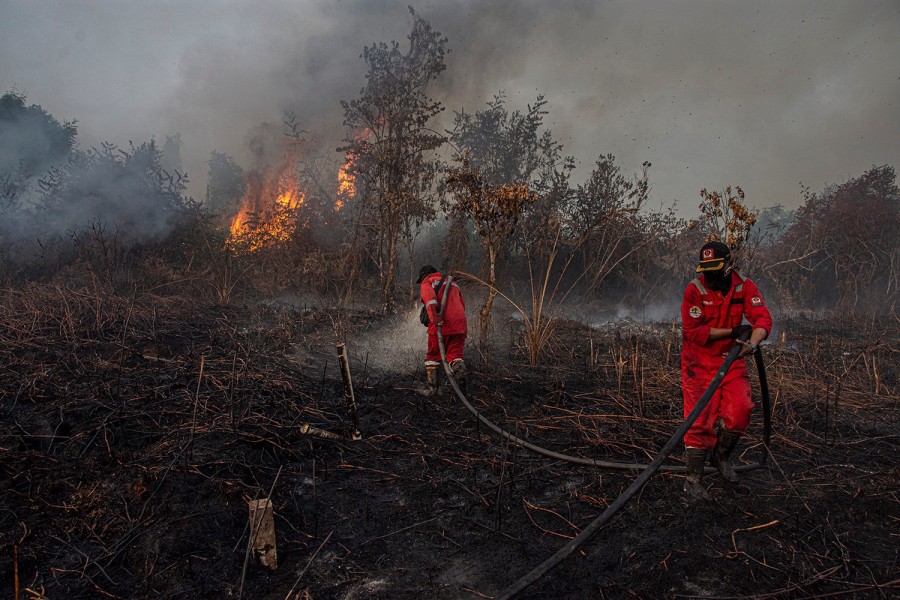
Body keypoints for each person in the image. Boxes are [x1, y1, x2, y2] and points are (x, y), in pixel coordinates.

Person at [680, 240, 772, 500]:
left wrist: (751, 344)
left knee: (740, 410)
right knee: (698, 420)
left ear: (728, 265)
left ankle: (721, 459)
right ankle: (693, 480)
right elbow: (693, 331)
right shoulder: (694, 289)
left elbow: (762, 318)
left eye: (714, 268)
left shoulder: (744, 286)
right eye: (704, 269)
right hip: (698, 363)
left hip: (731, 360)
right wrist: (733, 332)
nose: (708, 275)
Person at [416, 265, 467, 396]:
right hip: (460, 324)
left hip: (441, 322)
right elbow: (462, 305)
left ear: (423, 276)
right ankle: (462, 388)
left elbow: (430, 300)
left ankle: (433, 390)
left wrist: (434, 318)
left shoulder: (428, 281)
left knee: (432, 356)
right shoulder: (453, 283)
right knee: (455, 356)